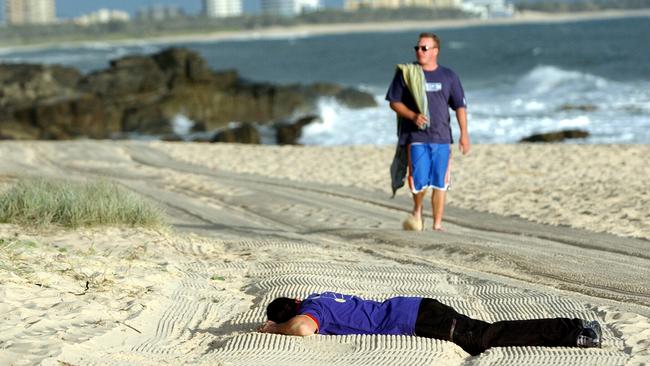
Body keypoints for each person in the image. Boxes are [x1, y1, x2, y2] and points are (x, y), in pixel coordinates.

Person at [258, 292, 602, 356]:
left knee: (485, 337)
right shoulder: (320, 298)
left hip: (416, 318)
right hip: (418, 308)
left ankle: (574, 330)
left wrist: (275, 329)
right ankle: (572, 330)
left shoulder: (313, 314)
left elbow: (303, 328)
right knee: (483, 334)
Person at [386, 32, 470, 231]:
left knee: (441, 182)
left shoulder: (449, 76)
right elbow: (394, 102)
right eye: (417, 48)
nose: (419, 51)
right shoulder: (407, 73)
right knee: (419, 181)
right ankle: (417, 209)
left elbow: (459, 106)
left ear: (435, 51)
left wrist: (464, 134)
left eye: (424, 48)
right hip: (415, 136)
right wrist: (413, 116)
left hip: (441, 136)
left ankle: (437, 225)